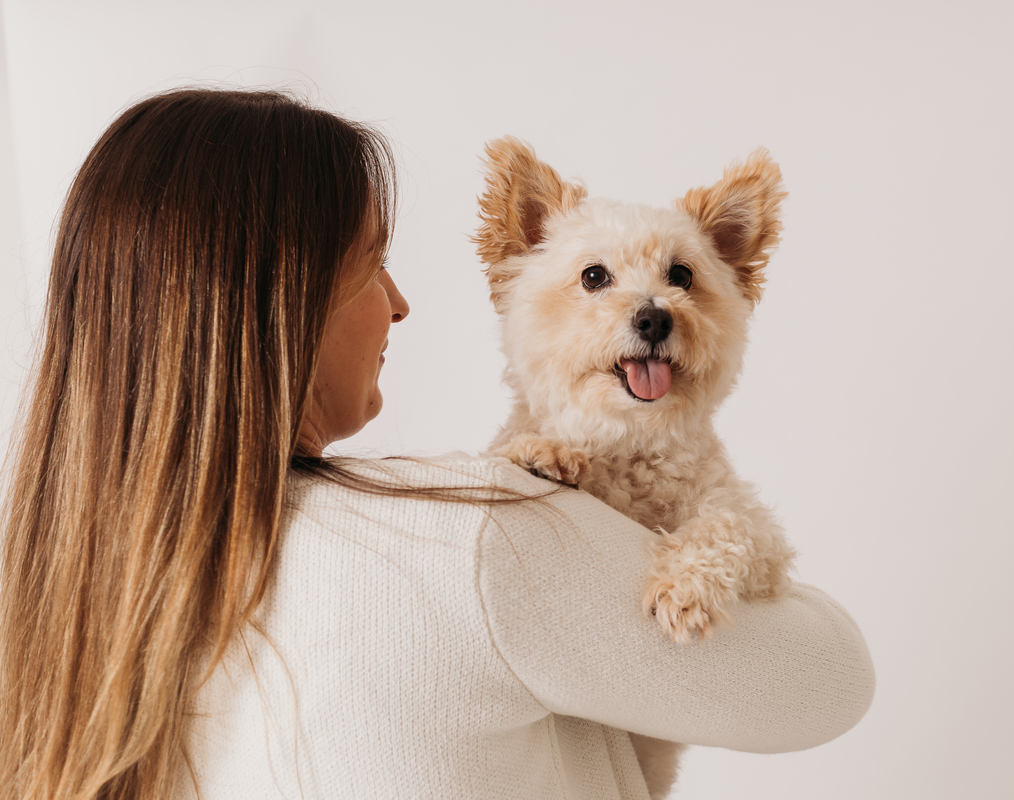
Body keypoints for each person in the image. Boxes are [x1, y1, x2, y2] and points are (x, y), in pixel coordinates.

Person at [0, 88, 874, 800]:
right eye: (371, 264)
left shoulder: (67, 593)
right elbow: (830, 682)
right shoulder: (482, 538)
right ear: (279, 300)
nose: (399, 302)